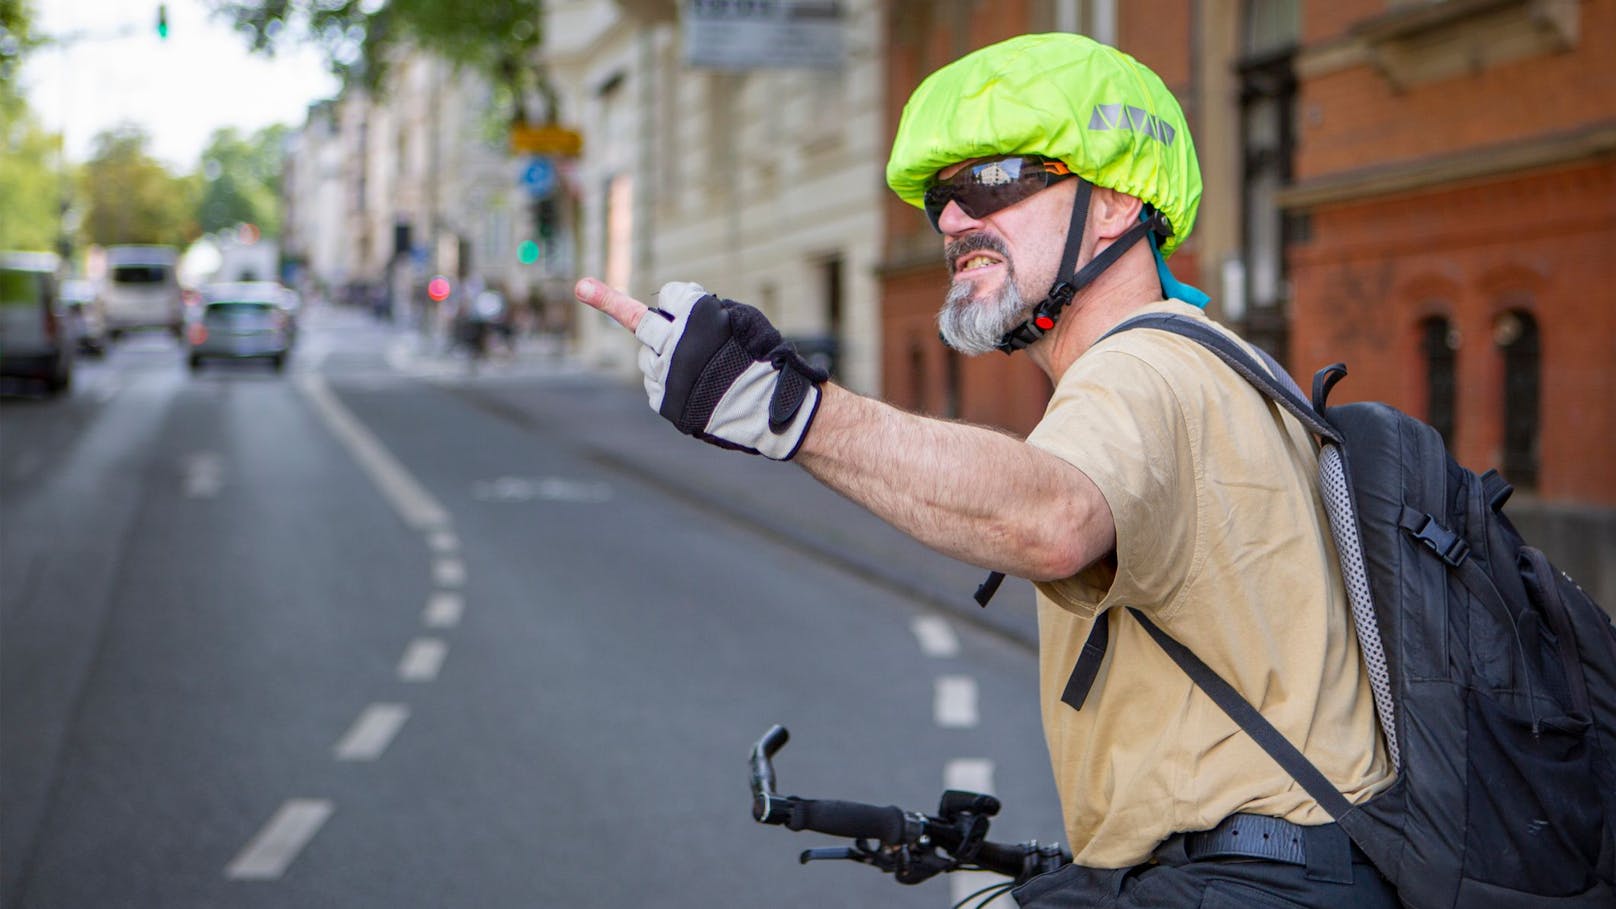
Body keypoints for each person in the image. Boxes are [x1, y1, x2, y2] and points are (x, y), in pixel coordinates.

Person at [574, 33, 1396, 908]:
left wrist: (792, 410)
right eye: (940, 198)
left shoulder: (1146, 363)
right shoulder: (1221, 364)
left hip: (1252, 882)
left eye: (993, 181)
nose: (954, 220)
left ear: (1116, 203)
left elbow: (1050, 518)